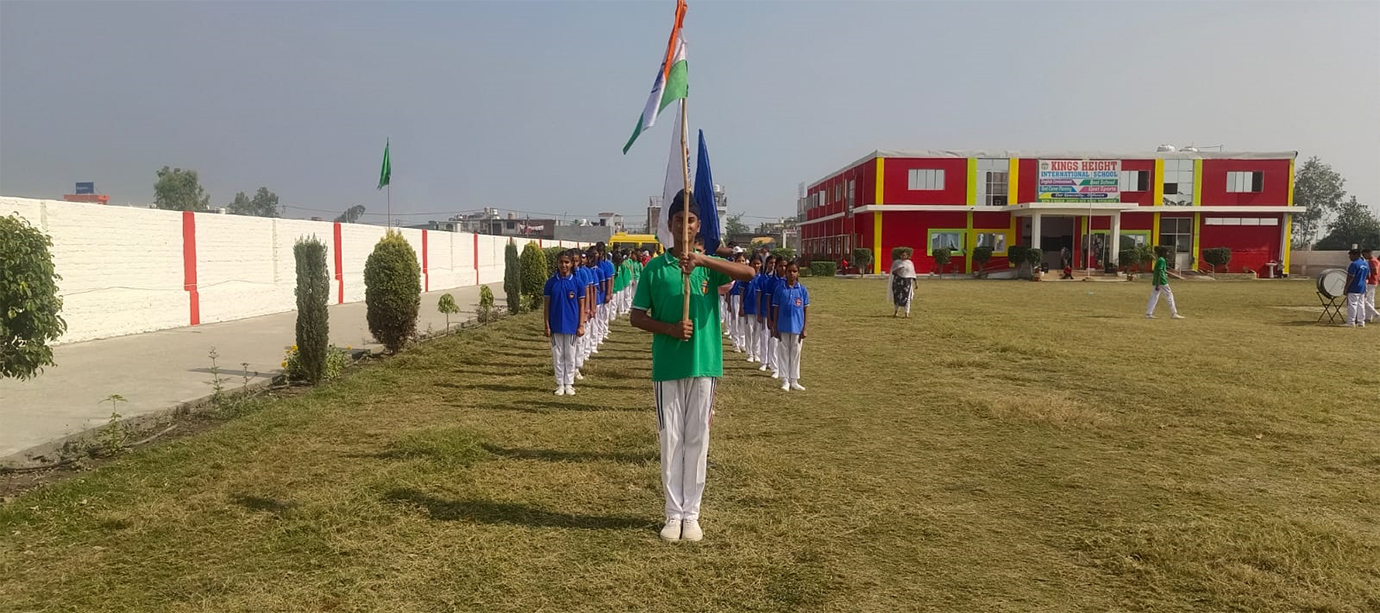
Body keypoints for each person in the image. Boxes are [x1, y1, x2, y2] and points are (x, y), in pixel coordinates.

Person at [630, 190, 755, 542]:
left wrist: (704, 261)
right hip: (668, 365)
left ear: (698, 225)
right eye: (677, 220)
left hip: (704, 363)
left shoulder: (708, 266)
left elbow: (747, 273)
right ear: (669, 226)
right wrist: (669, 329)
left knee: (698, 438)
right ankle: (673, 513)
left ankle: (692, 513)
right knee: (671, 439)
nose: (683, 225)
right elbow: (637, 317)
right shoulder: (655, 268)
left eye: (689, 220)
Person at [543, 250, 586, 396]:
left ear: (572, 263)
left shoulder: (577, 282)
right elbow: (546, 306)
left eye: (567, 262)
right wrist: (547, 325)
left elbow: (581, 306)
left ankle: (569, 384)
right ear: (557, 263)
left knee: (570, 355)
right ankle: (560, 384)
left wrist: (581, 325)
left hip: (572, 326)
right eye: (561, 262)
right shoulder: (550, 283)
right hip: (556, 326)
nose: (564, 265)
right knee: (558, 355)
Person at [771, 260, 809, 392]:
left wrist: (805, 328)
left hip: (797, 327)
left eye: (794, 271)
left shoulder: (802, 290)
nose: (791, 274)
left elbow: (805, 309)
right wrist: (775, 326)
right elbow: (776, 309)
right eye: (789, 271)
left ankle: (794, 380)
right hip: (783, 325)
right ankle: (785, 380)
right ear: (785, 273)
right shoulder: (780, 289)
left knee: (796, 352)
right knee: (783, 352)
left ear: (798, 273)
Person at [1146, 245, 1186, 320]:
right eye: (1166, 252)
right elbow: (1160, 272)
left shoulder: (1159, 260)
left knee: (1154, 296)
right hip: (1162, 281)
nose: (1167, 254)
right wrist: (1158, 283)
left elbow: (1161, 270)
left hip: (1156, 281)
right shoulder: (1162, 260)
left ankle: (1149, 313)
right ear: (1163, 253)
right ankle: (1174, 313)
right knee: (1169, 296)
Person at [753, 255, 778, 374]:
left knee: (774, 340)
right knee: (764, 337)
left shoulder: (779, 280)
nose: (773, 265)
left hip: (776, 314)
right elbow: (759, 297)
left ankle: (774, 363)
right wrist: (758, 312)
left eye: (774, 263)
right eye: (770, 263)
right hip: (765, 312)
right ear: (766, 264)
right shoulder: (762, 279)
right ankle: (764, 361)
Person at [740, 256, 763, 362]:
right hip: (748, 307)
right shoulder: (746, 277)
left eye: (758, 263)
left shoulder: (762, 278)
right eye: (754, 263)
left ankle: (756, 353)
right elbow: (742, 292)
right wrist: (741, 307)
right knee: (749, 330)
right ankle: (749, 353)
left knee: (758, 332)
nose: (756, 266)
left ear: (761, 265)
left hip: (759, 309)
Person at [1343, 248, 1369, 328]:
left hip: (1354, 287)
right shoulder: (1365, 264)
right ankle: (1361, 321)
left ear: (1356, 255)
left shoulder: (1354, 264)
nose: (1349, 257)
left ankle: (1351, 321)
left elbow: (1351, 277)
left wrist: (1346, 287)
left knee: (1352, 304)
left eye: (1351, 255)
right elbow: (1368, 276)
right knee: (1361, 305)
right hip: (1362, 287)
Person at [889, 248, 916, 318]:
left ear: (907, 256)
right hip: (898, 282)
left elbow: (913, 273)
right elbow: (893, 272)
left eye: (904, 255)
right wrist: (899, 269)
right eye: (902, 255)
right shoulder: (897, 262)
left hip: (907, 282)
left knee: (907, 297)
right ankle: (896, 312)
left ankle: (906, 313)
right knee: (897, 297)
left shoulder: (910, 263)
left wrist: (916, 283)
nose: (903, 257)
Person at [1362, 248, 1379, 324]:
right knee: (1370, 299)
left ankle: (1374, 313)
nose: (1364, 256)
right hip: (1374, 281)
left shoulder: (1372, 261)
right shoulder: (1375, 260)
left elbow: (1375, 271)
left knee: (1365, 299)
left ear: (1368, 253)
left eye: (1364, 254)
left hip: (1370, 282)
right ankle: (1369, 317)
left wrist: (1368, 272)